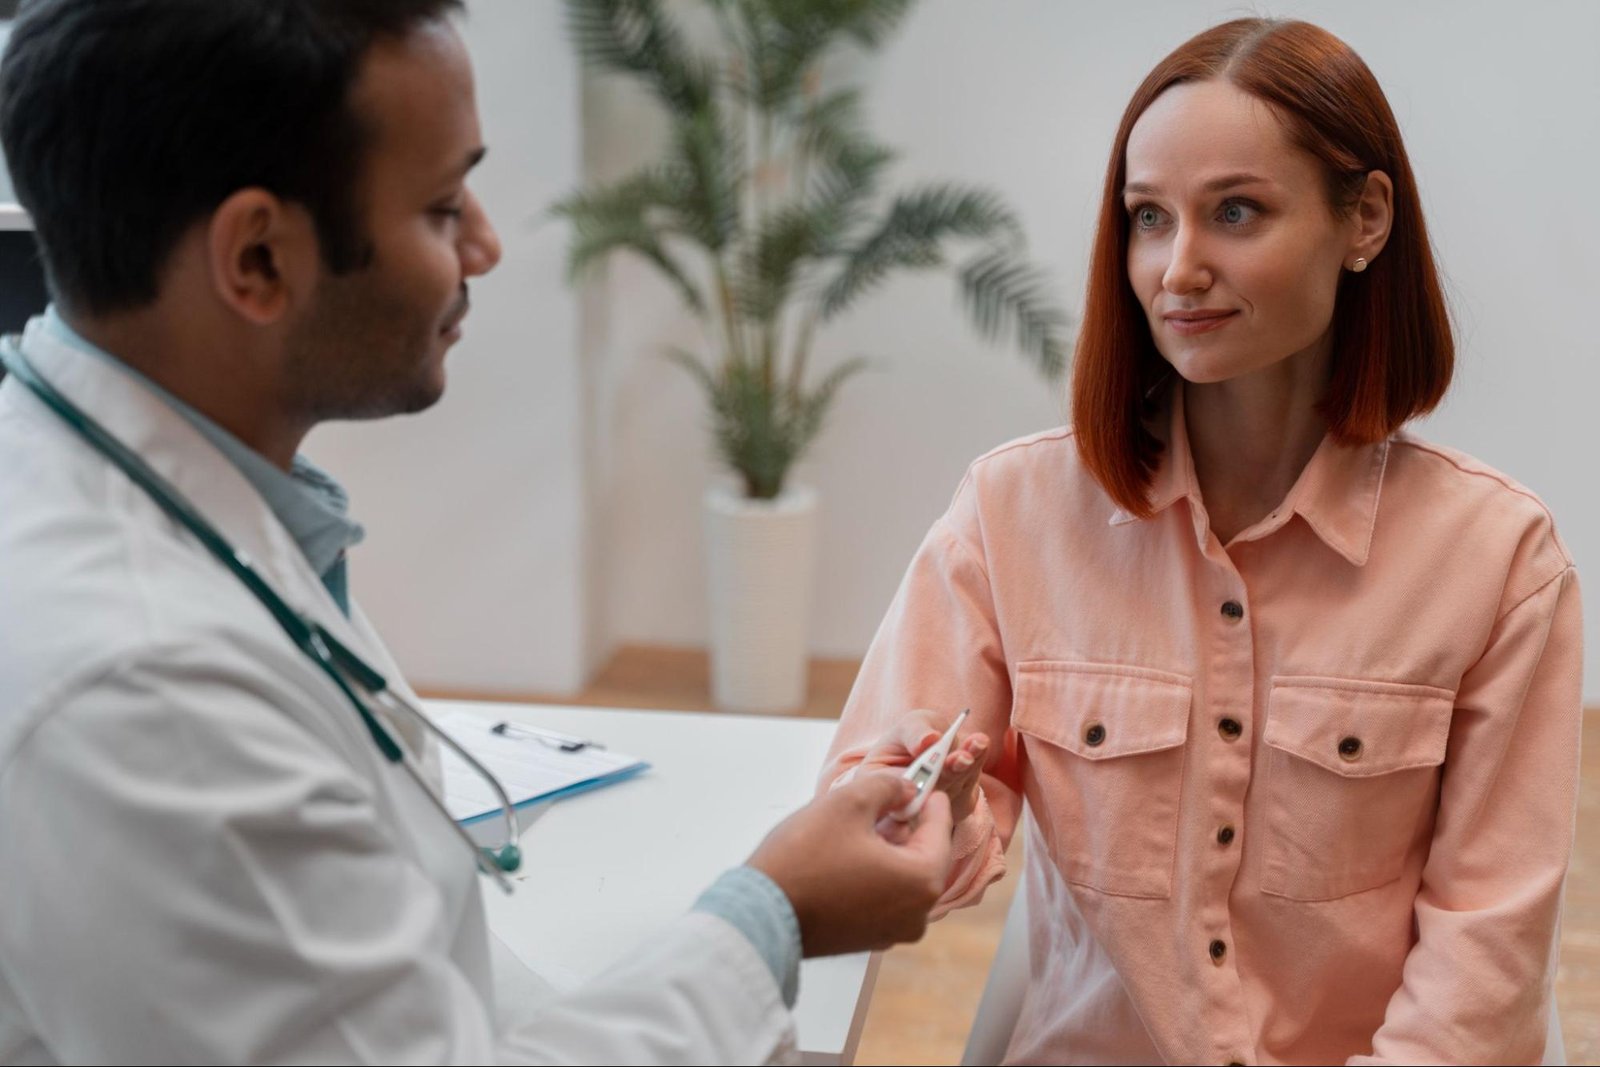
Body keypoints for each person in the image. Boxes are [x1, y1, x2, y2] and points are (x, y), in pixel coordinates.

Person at [0, 2, 955, 1063]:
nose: (488, 247)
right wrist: (775, 911)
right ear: (258, 258)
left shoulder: (163, 498)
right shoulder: (144, 688)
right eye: (444, 206)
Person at [820, 17, 1582, 1066]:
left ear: (1364, 220)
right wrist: (932, 818)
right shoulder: (1012, 511)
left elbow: (1483, 961)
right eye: (1146, 217)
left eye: (1235, 211)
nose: (1178, 268)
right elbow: (881, 810)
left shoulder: (1499, 560)